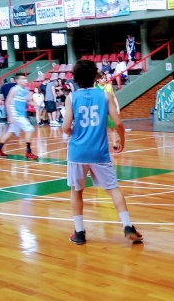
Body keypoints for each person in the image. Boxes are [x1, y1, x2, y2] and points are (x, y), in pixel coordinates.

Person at [61, 60, 142, 245]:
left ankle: (79, 232)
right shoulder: (105, 95)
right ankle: (128, 226)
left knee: (76, 191)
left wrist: (76, 134)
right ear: (95, 76)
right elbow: (118, 123)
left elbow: (65, 127)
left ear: (75, 78)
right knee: (113, 189)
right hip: (99, 152)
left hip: (77, 153)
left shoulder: (71, 98)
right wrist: (122, 139)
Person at [0, 74, 38, 160]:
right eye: (23, 79)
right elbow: (7, 102)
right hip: (16, 115)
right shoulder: (14, 89)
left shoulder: (26, 90)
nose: (25, 80)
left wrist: (36, 104)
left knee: (11, 132)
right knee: (30, 129)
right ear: (18, 80)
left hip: (21, 114)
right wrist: (10, 116)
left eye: (26, 79)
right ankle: (28, 152)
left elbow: (28, 101)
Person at [96, 72, 120, 149]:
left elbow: (114, 97)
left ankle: (114, 144)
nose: (104, 79)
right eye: (102, 78)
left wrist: (117, 107)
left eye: (105, 78)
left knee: (111, 127)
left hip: (108, 110)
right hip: (99, 111)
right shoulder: (95, 88)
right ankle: (99, 145)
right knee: (100, 129)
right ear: (97, 79)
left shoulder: (109, 86)